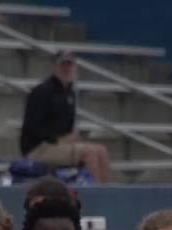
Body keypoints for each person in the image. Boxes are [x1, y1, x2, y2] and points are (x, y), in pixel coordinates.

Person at [19, 51, 112, 183]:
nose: (67, 69)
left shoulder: (69, 94)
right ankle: (95, 198)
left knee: (101, 151)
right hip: (39, 148)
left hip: (60, 146)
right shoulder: (41, 92)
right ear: (55, 67)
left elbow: (68, 128)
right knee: (90, 153)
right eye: (63, 65)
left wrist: (70, 138)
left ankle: (107, 195)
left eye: (70, 65)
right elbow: (33, 127)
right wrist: (58, 139)